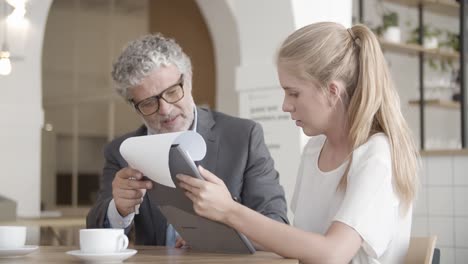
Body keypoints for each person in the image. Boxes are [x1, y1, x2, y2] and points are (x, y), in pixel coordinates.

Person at [177, 22, 420, 263]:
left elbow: (332, 254)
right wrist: (220, 233)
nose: (286, 105)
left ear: (332, 92)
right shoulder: (314, 150)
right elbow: (304, 243)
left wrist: (230, 210)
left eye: (294, 93)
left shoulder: (376, 155)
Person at [86, 33, 289, 247]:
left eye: (172, 92)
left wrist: (226, 224)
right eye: (148, 103)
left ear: (189, 78)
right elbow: (96, 233)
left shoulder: (243, 137)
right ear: (134, 106)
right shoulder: (121, 151)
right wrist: (118, 209)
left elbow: (277, 224)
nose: (165, 110)